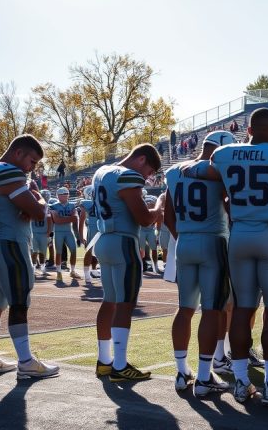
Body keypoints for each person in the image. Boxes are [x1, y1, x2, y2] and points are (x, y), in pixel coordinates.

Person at [206, 108, 268, 406]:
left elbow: (217, 179)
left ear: (248, 130)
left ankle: (241, 383)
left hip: (239, 235)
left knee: (242, 310)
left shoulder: (224, 153)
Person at [165, 130, 236, 397]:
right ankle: (205, 377)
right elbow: (231, 207)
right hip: (213, 241)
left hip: (184, 242)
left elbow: (168, 217)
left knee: (184, 309)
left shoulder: (174, 171)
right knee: (212, 310)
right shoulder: (219, 171)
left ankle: (182, 371)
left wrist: (186, 236)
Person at [0, 135, 59, 379]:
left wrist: (27, 203)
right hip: (11, 243)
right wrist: (37, 198)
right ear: (18, 153)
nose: (31, 168)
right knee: (19, 302)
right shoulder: (8, 172)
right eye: (32, 161)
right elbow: (37, 212)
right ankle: (26, 362)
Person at [93, 144, 163, 382]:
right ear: (141, 159)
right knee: (125, 303)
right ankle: (120, 365)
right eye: (149, 171)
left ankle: (104, 361)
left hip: (103, 240)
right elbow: (144, 219)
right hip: (123, 242)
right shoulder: (128, 176)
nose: (147, 177)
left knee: (110, 301)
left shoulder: (102, 172)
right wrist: (158, 208)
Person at [50, 187, 79, 282]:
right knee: (58, 252)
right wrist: (69, 218)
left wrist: (62, 219)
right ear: (58, 196)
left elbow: (75, 219)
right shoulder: (53, 206)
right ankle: (58, 272)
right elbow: (57, 220)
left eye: (66, 194)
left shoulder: (72, 205)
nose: (65, 196)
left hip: (69, 231)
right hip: (58, 232)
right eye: (63, 194)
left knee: (74, 250)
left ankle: (73, 271)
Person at [77, 185, 98, 284]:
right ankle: (86, 273)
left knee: (101, 251)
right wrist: (81, 236)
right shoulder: (87, 203)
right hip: (94, 228)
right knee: (90, 251)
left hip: (101, 227)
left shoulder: (100, 202)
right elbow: (81, 221)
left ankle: (94, 270)